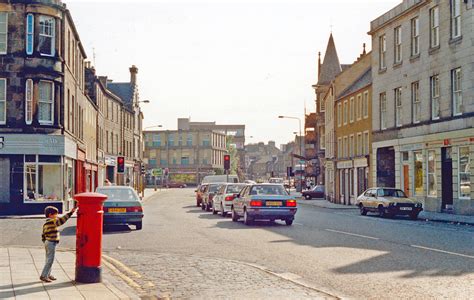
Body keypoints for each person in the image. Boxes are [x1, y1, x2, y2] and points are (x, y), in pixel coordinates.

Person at [40, 206, 76, 282]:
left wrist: (45, 242)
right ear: (50, 215)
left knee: (48, 259)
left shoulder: (46, 223)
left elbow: (43, 234)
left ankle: (48, 274)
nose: (57, 216)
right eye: (56, 214)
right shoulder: (53, 221)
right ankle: (44, 275)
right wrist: (70, 213)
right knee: (50, 260)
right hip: (51, 242)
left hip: (47, 242)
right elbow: (62, 220)